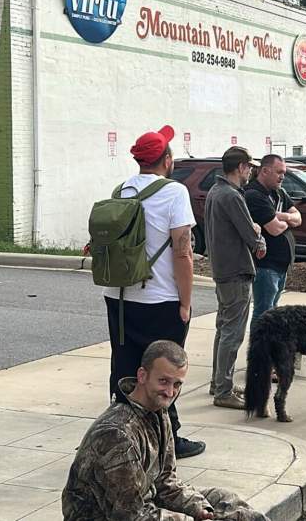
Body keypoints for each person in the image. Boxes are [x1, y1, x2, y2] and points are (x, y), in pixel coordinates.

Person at [62, 340, 269, 521]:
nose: (170, 392)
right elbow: (130, 515)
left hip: (146, 505)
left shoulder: (159, 412)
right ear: (142, 376)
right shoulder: (116, 434)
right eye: (163, 381)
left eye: (177, 384)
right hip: (110, 516)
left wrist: (201, 509)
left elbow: (165, 481)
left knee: (227, 502)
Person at [104, 125, 204, 458]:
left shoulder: (122, 190)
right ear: (167, 159)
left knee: (126, 368)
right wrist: (186, 303)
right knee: (166, 373)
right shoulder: (174, 192)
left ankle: (119, 438)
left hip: (119, 297)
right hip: (160, 300)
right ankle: (167, 441)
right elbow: (182, 252)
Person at [204, 146, 266, 410]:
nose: (250, 171)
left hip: (222, 269)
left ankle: (219, 382)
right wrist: (258, 234)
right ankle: (224, 390)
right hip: (236, 270)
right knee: (233, 332)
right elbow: (252, 237)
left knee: (223, 327)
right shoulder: (231, 196)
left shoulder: (215, 192)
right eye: (249, 167)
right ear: (240, 167)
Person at [244, 154, 302, 333]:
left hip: (281, 266)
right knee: (263, 313)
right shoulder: (254, 194)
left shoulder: (279, 192)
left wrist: (280, 215)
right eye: (279, 172)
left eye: (284, 172)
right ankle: (257, 352)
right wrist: (285, 219)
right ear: (265, 170)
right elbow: (274, 229)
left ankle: (267, 350)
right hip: (265, 266)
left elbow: (298, 218)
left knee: (272, 312)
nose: (282, 176)